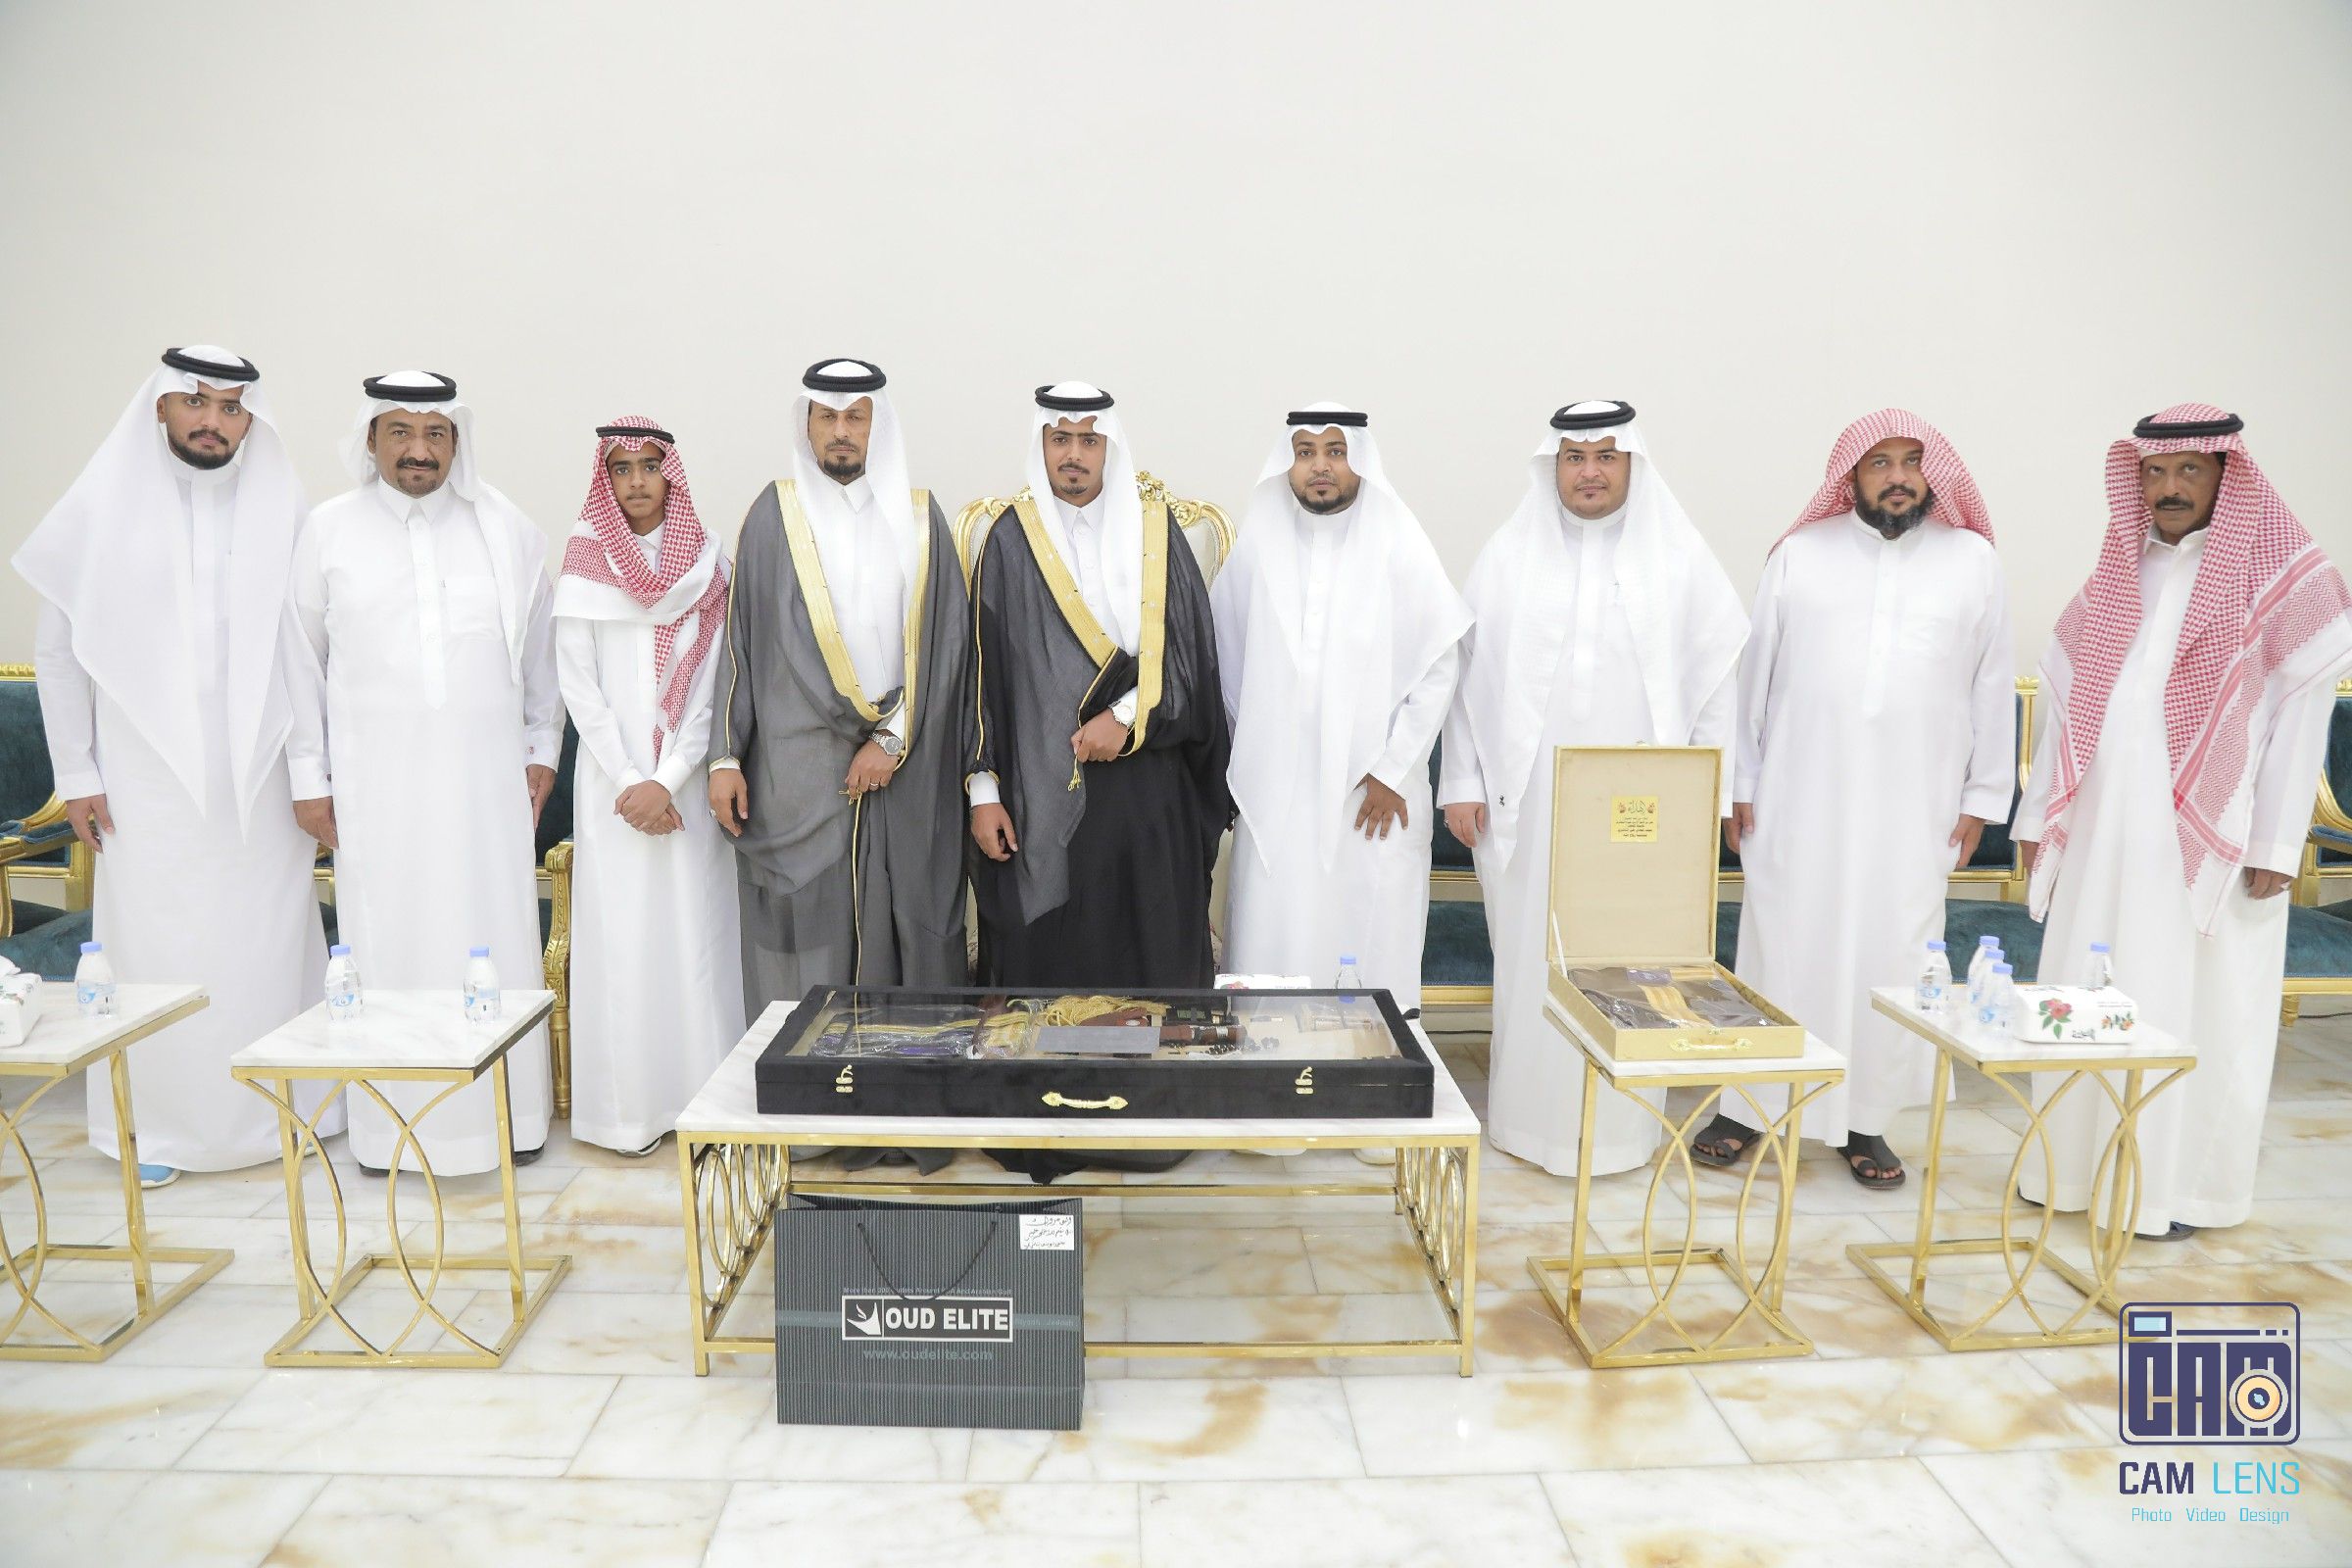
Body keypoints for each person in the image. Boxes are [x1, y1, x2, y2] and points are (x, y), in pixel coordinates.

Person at [2014, 404, 2352, 1239]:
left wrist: (2277, 842)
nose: (2168, 488)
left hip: (2213, 842)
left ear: (2227, 477)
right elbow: (2067, 707)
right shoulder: (2117, 574)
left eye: (2189, 471)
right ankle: (2069, 1171)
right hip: (2102, 835)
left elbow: (2301, 720)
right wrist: (2034, 818)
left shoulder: (2283, 581)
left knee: (2199, 1005)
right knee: (2087, 992)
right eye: (2155, 473)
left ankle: (2173, 1193)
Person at [14, 347, 328, 1184]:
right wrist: (77, 774)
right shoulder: (102, 505)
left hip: (258, 776)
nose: (212, 421)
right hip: (143, 777)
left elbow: (304, 655)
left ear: (250, 420)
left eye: (231, 408)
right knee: (155, 947)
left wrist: (311, 777)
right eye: (196, 403)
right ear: (160, 407)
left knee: (263, 946)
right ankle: (153, 1130)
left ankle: (277, 1117)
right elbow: (60, 652)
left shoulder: (282, 506)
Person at [1697, 410, 2012, 1188]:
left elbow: (1991, 683)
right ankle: (1748, 1106)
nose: (1898, 477)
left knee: (1894, 955)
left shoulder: (1973, 561)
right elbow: (1753, 682)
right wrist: (1740, 783)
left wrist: (1982, 796)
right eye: (1880, 463)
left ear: (1934, 472)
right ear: (1852, 475)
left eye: (1912, 461)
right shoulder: (1800, 555)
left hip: (1917, 804)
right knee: (1781, 945)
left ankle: (1866, 1119)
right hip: (1797, 796)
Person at [1441, 401, 1746, 1176]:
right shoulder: (1508, 557)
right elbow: (1467, 683)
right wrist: (1462, 781)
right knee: (1531, 963)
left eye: (1606, 456)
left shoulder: (1679, 560)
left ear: (1631, 465)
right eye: (1575, 457)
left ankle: (1622, 1135)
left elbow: (1715, 684)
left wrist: (1707, 800)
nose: (1590, 472)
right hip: (1529, 804)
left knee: (1629, 961)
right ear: (1554, 467)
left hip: (1641, 811)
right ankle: (1527, 1125)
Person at [283, 371, 561, 1177]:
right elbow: (299, 664)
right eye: (400, 432)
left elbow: (539, 657)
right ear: (370, 439)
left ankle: (509, 1124)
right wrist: (309, 778)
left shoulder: (505, 528)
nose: (418, 450)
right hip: (374, 792)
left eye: (435, 433)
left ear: (456, 442)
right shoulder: (327, 531)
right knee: (388, 948)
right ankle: (388, 1134)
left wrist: (542, 751)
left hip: (485, 792)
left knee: (494, 940)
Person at [965, 383, 1230, 989]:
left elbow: (1190, 655)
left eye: (1089, 440)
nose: (1074, 454)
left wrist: (1127, 717)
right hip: (1036, 784)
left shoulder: (1154, 531)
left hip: (1146, 775)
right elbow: (981, 676)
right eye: (1060, 439)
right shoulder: (1009, 538)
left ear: (1109, 448)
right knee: (1046, 976)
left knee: (1149, 964)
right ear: (1041, 445)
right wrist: (983, 794)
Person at [1215, 404, 1467, 1006]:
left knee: (1364, 952)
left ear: (1360, 460)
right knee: (1272, 947)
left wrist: (1394, 770)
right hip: (1277, 798)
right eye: (1305, 453)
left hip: (1370, 797)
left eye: (1335, 451)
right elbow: (1223, 662)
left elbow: (1440, 665)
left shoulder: (1399, 542)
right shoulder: (1258, 545)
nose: (1320, 466)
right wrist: (1253, 758)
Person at [554, 417, 743, 1155]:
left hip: (685, 790)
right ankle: (627, 1116)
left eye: (649, 466)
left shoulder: (708, 563)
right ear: (605, 478)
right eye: (622, 468)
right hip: (613, 793)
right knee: (623, 944)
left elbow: (713, 687)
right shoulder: (584, 560)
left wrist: (668, 779)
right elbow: (579, 686)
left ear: (671, 474)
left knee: (694, 939)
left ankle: (707, 1108)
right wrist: (632, 780)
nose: (637, 481)